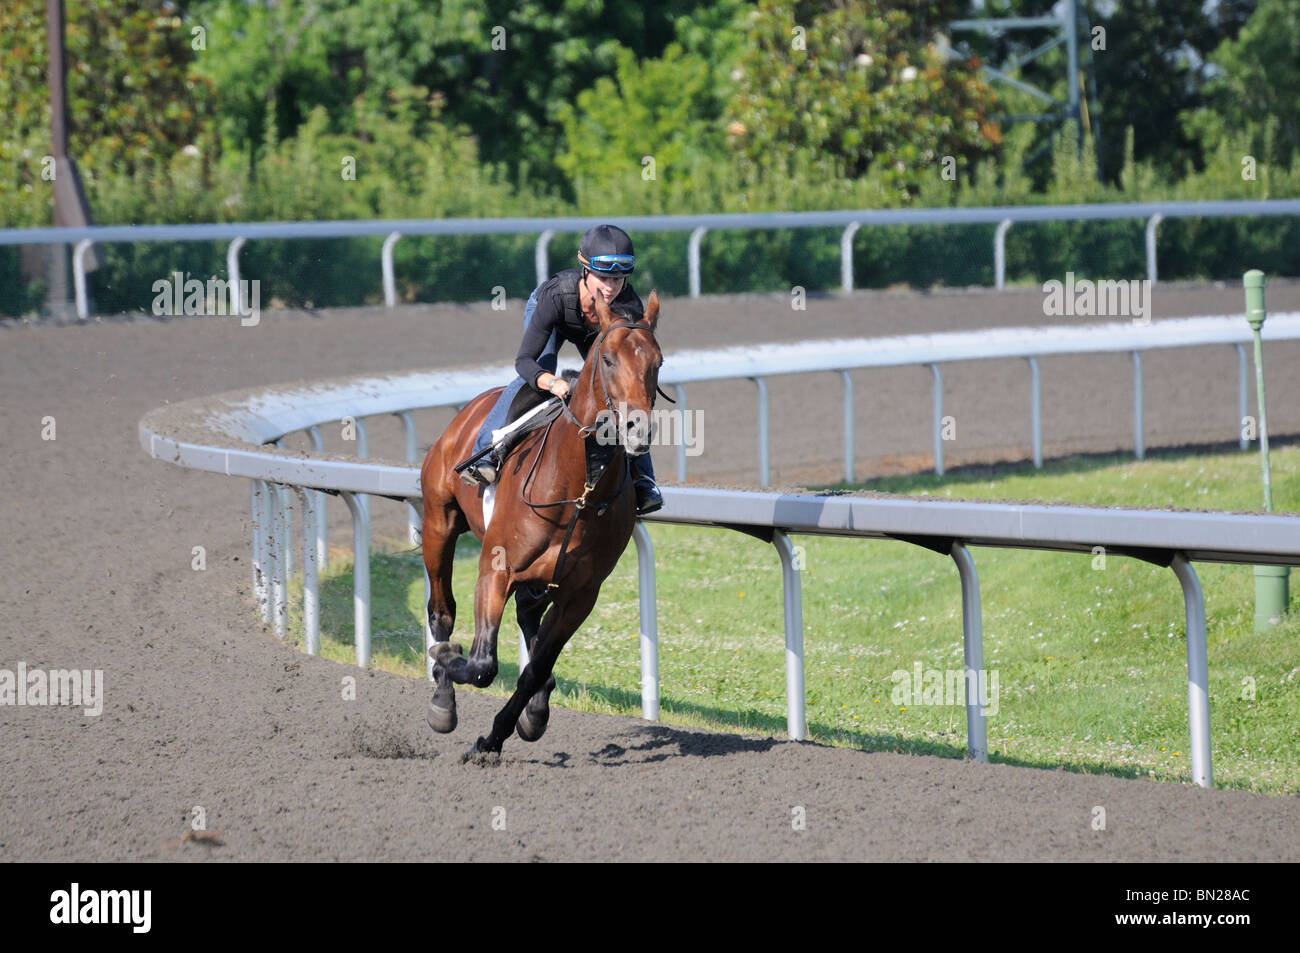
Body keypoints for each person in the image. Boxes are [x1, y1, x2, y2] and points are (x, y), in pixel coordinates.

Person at [460, 224, 663, 516]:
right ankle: (485, 455)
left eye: (618, 279)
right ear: (585, 271)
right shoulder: (555, 297)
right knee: (538, 375)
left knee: (621, 391)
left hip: (601, 329)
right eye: (603, 277)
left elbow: (631, 368)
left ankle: (644, 479)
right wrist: (552, 382)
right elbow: (524, 362)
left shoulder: (628, 306)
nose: (610, 287)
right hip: (555, 317)